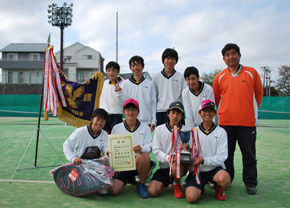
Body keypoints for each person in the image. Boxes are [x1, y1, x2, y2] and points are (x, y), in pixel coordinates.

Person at [212, 43, 263, 194]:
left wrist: (249, 112)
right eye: (227, 55)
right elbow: (216, 100)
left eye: (233, 54)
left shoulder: (251, 73)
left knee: (249, 156)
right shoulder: (219, 77)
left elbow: (258, 95)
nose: (230, 57)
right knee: (226, 156)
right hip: (226, 124)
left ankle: (250, 182)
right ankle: (227, 180)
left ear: (239, 55)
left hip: (247, 123)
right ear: (223, 58)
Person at [185, 99, 231, 203]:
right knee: (191, 198)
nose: (207, 113)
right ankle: (200, 187)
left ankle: (218, 186)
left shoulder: (221, 132)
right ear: (199, 113)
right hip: (198, 171)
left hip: (215, 169)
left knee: (225, 180)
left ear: (214, 113)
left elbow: (222, 156)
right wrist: (188, 151)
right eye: (204, 110)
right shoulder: (193, 132)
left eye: (210, 111)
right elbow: (192, 154)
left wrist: (203, 160)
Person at [109, 98, 154, 198]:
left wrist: (141, 148)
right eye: (128, 109)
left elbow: (150, 146)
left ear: (138, 111)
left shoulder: (145, 127)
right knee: (113, 191)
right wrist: (114, 165)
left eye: (133, 109)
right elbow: (112, 149)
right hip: (123, 165)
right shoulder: (116, 128)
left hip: (138, 162)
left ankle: (141, 184)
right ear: (123, 112)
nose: (130, 112)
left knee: (144, 156)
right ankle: (129, 178)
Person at [148, 101, 191, 199]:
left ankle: (176, 183)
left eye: (178, 113)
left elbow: (191, 150)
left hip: (180, 166)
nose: (175, 116)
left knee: (176, 167)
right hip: (165, 167)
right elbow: (156, 150)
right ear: (168, 114)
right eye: (173, 113)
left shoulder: (187, 130)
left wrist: (189, 149)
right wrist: (169, 158)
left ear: (181, 116)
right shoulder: (159, 129)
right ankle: (169, 181)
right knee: (152, 192)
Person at [63, 108, 110, 196]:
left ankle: (102, 186)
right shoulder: (80, 132)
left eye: (103, 121)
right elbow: (66, 145)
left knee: (105, 159)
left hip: (95, 166)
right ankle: (72, 176)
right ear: (92, 119)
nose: (100, 123)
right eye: (98, 119)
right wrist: (73, 158)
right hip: (80, 165)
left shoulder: (104, 134)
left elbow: (106, 149)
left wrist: (108, 152)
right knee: (83, 193)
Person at [116, 56, 156, 132]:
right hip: (130, 120)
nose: (136, 68)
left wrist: (154, 120)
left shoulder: (149, 84)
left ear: (143, 66)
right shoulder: (125, 84)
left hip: (146, 120)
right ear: (130, 68)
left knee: (145, 143)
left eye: (138, 65)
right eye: (133, 66)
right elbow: (123, 103)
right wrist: (118, 93)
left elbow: (153, 103)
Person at [152, 48, 187, 126]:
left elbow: (184, 96)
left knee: (178, 137)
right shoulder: (156, 77)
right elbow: (154, 98)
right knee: (163, 136)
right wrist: (153, 118)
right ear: (163, 60)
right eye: (167, 58)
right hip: (161, 112)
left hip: (177, 112)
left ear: (176, 61)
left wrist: (183, 112)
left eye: (172, 59)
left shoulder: (181, 77)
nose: (170, 61)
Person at [99, 61, 124, 134]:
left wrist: (119, 93)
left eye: (113, 70)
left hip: (116, 116)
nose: (111, 73)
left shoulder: (124, 84)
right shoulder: (104, 83)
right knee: (104, 138)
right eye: (108, 70)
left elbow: (125, 103)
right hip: (103, 116)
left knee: (115, 140)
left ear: (118, 71)